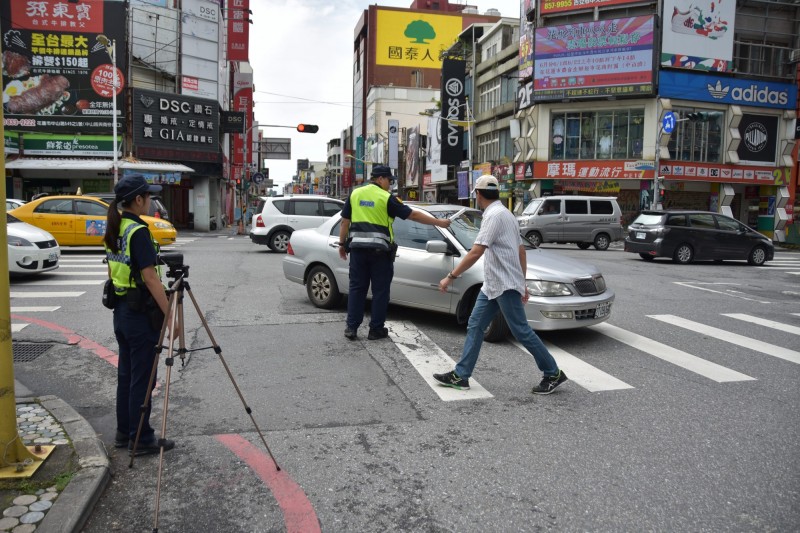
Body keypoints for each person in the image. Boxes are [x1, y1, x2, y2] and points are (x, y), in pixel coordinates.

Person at [433, 175, 568, 395]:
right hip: (494, 285)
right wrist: (522, 282)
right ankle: (461, 375)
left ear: (478, 194)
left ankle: (552, 372)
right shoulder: (506, 214)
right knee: (475, 326)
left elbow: (476, 251)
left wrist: (451, 276)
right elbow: (521, 251)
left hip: (504, 284)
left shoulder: (493, 216)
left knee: (521, 331)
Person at [104, 174, 175, 456]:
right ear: (138, 200)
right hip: (140, 314)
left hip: (121, 310)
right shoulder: (138, 231)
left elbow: (111, 269)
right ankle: (141, 438)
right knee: (143, 378)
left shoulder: (115, 226)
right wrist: (170, 315)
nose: (150, 201)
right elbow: (151, 278)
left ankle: (125, 432)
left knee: (127, 374)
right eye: (148, 197)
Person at [338, 165, 451, 341]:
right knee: (380, 292)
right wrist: (439, 222)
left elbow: (345, 222)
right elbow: (413, 215)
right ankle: (375, 330)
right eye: (389, 181)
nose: (390, 185)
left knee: (356, 289)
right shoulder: (386, 198)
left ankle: (351, 328)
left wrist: (341, 244)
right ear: (380, 179)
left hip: (358, 252)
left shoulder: (355, 194)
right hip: (380, 254)